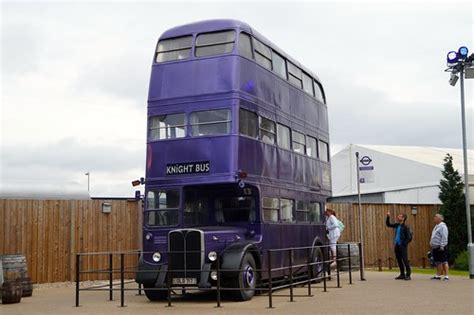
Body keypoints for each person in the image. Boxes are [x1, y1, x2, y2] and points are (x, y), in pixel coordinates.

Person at [386, 212, 412, 280]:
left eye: (400, 216)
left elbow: (409, 237)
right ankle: (402, 274)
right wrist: (388, 217)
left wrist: (404, 244)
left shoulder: (405, 227)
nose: (398, 217)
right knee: (399, 260)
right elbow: (388, 225)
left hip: (402, 246)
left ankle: (408, 275)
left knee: (405, 260)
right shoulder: (397, 225)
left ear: (403, 218)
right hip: (397, 245)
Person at [430, 214, 449, 280]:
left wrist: (442, 245)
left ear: (440, 219)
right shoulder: (436, 226)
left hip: (441, 247)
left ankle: (446, 276)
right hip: (435, 247)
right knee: (438, 262)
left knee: (444, 261)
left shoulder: (443, 226)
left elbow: (444, 236)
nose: (434, 218)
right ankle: (438, 275)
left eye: (436, 217)